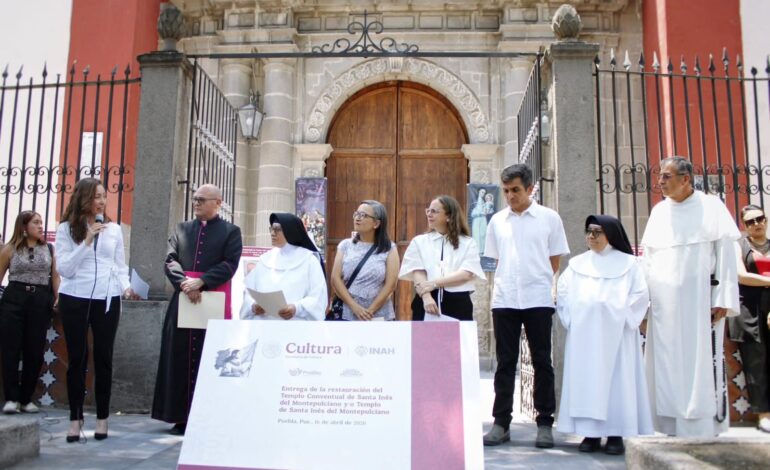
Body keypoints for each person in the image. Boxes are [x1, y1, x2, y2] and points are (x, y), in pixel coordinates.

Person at [641, 156, 740, 437]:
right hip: (663, 304)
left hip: (700, 302)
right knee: (665, 360)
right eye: (660, 176)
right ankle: (668, 423)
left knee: (700, 360)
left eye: (666, 176)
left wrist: (722, 296)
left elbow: (726, 256)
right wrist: (646, 305)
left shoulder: (712, 207)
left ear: (686, 179)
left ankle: (700, 424)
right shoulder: (659, 212)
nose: (660, 181)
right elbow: (648, 260)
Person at [482, 163, 569, 449]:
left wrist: (538, 281)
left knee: (542, 360)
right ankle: (500, 423)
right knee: (505, 363)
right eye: (506, 191)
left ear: (530, 188)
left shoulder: (549, 218)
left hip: (537, 299)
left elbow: (554, 261)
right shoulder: (496, 221)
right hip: (505, 299)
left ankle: (545, 423)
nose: (510, 196)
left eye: (516, 190)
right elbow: (494, 260)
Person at [556, 215, 653, 455]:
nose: (591, 236)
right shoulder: (577, 264)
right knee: (586, 382)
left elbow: (640, 295)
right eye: (589, 231)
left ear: (610, 234)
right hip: (584, 336)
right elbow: (564, 294)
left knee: (617, 384)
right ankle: (589, 433)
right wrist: (576, 318)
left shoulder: (630, 264)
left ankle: (615, 434)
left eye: (597, 232)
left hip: (617, 336)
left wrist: (617, 315)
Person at [152, 184, 242, 435]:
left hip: (211, 301)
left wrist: (201, 282)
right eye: (195, 199)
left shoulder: (231, 232)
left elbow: (230, 264)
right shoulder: (182, 229)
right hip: (183, 300)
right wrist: (184, 283)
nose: (197, 203)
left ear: (218, 202)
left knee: (207, 357)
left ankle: (207, 416)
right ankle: (179, 416)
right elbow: (170, 260)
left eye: (202, 199)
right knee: (178, 357)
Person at [55, 178, 138, 442]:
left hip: (107, 297)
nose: (102, 201)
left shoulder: (113, 230)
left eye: (104, 196)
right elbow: (65, 269)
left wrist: (126, 288)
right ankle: (75, 418)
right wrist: (87, 240)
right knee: (77, 359)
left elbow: (120, 265)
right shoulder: (65, 229)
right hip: (74, 296)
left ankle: (102, 418)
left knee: (103, 359)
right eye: (97, 197)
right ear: (84, 199)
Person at [0, 211, 60, 415]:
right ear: (24, 227)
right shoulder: (9, 249)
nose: (41, 226)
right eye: (36, 222)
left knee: (34, 349)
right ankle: (11, 398)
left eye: (41, 222)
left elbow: (55, 277)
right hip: (14, 298)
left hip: (40, 299)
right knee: (10, 348)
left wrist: (57, 296)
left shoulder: (49, 249)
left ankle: (26, 399)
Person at [399, 195, 484, 321]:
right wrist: (426, 297)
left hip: (458, 302)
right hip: (426, 301)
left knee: (456, 341)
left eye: (434, 211)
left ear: (449, 216)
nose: (429, 214)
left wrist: (435, 283)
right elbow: (418, 271)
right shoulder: (419, 241)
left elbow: (467, 273)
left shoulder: (468, 243)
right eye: (428, 210)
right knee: (424, 340)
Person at [240, 213, 327, 321]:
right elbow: (248, 293)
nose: (272, 233)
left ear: (290, 230)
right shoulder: (265, 259)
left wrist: (296, 308)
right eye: (271, 229)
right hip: (264, 327)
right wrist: (253, 306)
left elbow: (318, 297)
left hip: (296, 328)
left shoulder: (309, 260)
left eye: (277, 229)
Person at [729, 204, 770, 432]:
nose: (756, 224)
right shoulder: (740, 246)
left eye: (759, 219)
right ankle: (763, 414)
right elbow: (742, 276)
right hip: (750, 310)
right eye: (750, 222)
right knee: (756, 362)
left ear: (765, 220)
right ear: (744, 226)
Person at [329, 200, 399, 321]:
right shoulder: (345, 245)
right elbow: (335, 278)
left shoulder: (389, 248)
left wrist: (370, 311)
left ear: (376, 223)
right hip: (348, 311)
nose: (357, 218)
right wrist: (354, 307)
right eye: (356, 214)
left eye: (364, 215)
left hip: (379, 314)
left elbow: (391, 284)